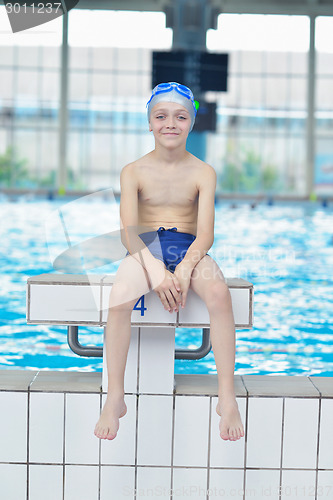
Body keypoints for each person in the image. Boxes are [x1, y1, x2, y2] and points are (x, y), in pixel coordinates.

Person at [94, 82, 244, 442]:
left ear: (191, 122)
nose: (170, 124)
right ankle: (115, 395)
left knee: (220, 296)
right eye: (161, 116)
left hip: (189, 247)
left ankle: (226, 394)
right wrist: (156, 270)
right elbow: (129, 232)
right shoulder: (133, 171)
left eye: (180, 116)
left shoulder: (202, 172)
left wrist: (187, 266)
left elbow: (206, 234)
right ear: (149, 123)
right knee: (119, 297)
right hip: (144, 247)